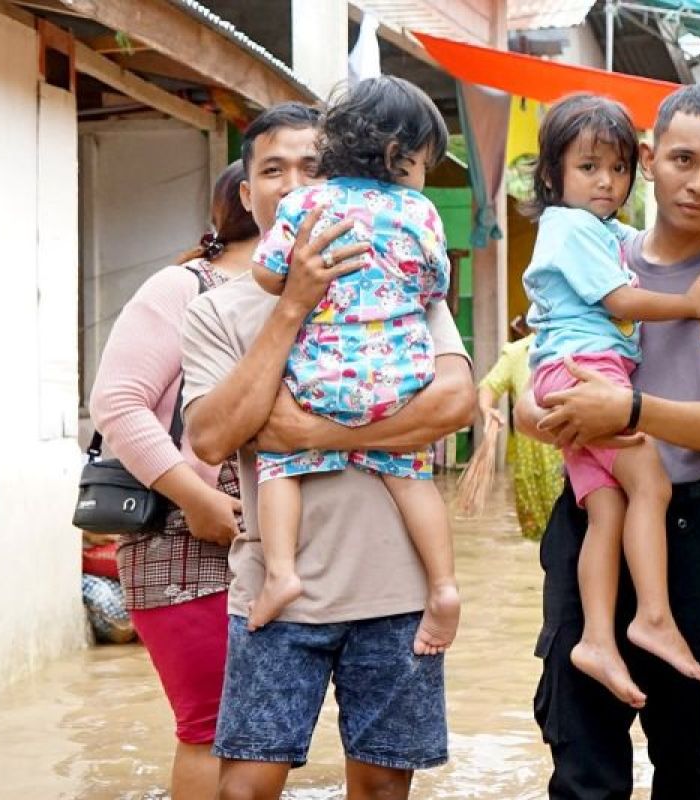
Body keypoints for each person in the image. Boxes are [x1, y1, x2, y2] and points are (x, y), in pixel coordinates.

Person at [181, 102, 474, 800]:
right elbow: (214, 437)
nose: (293, 185)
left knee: (380, 789)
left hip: (397, 592)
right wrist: (293, 305)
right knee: (244, 788)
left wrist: (314, 432)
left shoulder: (397, 286)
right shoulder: (215, 313)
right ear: (245, 194)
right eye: (271, 171)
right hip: (277, 595)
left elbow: (454, 406)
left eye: (310, 166)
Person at [517, 85, 700, 798]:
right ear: (648, 159)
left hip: (693, 531)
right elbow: (526, 389)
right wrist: (546, 409)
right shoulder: (593, 246)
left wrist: (626, 408)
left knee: (694, 765)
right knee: (582, 771)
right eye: (682, 159)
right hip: (590, 524)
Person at [246, 77, 459, 652]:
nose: (422, 176)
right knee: (411, 475)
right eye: (421, 163)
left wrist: (298, 283)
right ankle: (443, 586)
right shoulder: (420, 209)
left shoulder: (306, 203)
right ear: (397, 157)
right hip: (400, 381)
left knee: (280, 462)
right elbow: (434, 283)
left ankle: (282, 571)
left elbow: (266, 274)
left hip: (321, 377)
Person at [88, 161, 254, 799]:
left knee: (254, 735)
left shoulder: (305, 295)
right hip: (183, 537)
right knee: (210, 727)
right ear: (243, 199)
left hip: (271, 543)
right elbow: (119, 405)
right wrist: (199, 497)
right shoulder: (181, 288)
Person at [476, 316, 564, 541]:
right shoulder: (518, 353)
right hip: (531, 465)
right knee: (537, 540)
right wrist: (487, 410)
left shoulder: (577, 346)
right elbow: (489, 385)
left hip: (569, 460)